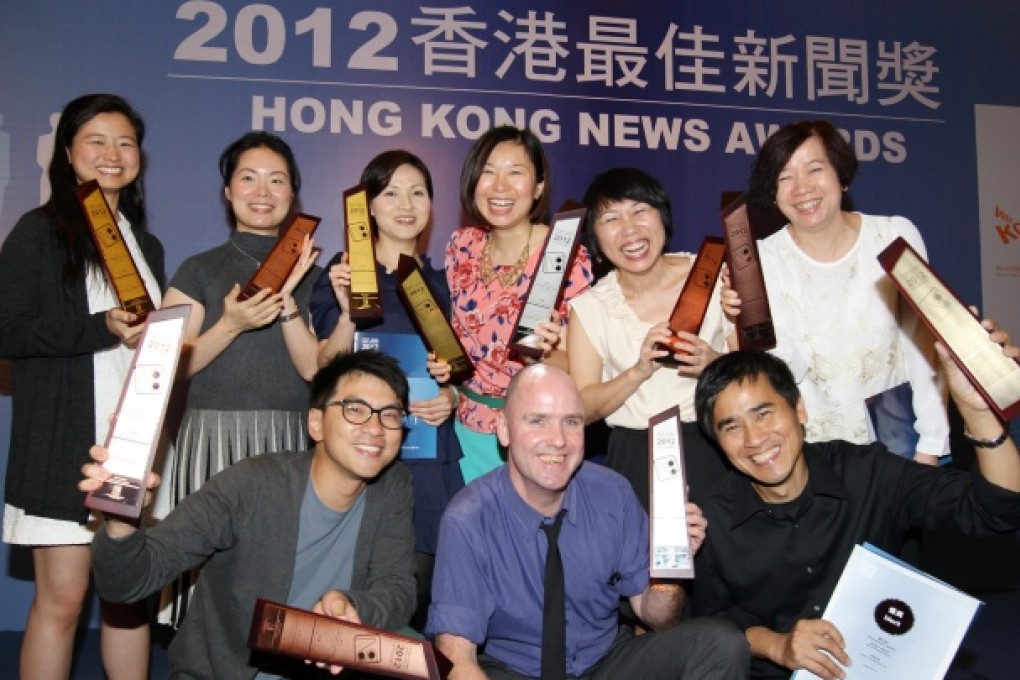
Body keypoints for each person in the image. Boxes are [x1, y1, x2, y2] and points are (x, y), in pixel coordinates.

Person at [690, 327, 1020, 680]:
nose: (755, 439)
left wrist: (979, 412)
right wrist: (779, 646)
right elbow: (711, 619)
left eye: (764, 413)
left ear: (799, 409)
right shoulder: (713, 517)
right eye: (731, 427)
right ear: (718, 442)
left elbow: (995, 509)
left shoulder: (868, 473)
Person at [81, 350, 417, 679]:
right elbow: (126, 583)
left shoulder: (392, 486)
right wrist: (122, 522)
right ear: (316, 423)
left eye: (390, 414)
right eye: (355, 409)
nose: (375, 428)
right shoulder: (252, 485)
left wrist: (353, 606)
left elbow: (398, 588)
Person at [427, 363, 750, 679]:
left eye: (571, 422)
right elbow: (456, 656)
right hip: (515, 670)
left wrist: (671, 565)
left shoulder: (613, 493)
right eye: (537, 421)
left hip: (605, 662)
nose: (558, 439)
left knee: (719, 642)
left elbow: (659, 619)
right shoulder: (468, 518)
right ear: (504, 429)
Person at [0, 93, 162, 680]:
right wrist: (101, 326)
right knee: (63, 600)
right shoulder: (40, 232)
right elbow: (6, 330)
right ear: (68, 153)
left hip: (132, 445)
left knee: (128, 598)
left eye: (126, 142)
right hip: (65, 444)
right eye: (97, 140)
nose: (113, 154)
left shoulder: (144, 246)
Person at [157, 131, 320, 624]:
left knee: (280, 582)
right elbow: (163, 367)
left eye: (276, 180)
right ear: (228, 191)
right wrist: (231, 324)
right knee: (210, 585)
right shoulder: (199, 269)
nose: (262, 191)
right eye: (248, 179)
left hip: (289, 438)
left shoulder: (314, 270)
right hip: (211, 438)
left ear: (293, 192)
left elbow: (322, 365)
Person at [727, 119, 948, 465]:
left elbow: (924, 349)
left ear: (841, 176)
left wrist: (931, 446)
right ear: (772, 191)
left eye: (814, 169)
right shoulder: (762, 261)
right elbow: (785, 369)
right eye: (784, 177)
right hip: (814, 454)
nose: (801, 188)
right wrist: (745, 325)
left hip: (902, 446)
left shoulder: (893, 237)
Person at [310, 149, 463, 627]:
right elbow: (324, 367)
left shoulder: (440, 283)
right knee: (360, 586)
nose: (406, 204)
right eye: (391, 192)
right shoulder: (344, 273)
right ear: (368, 206)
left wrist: (450, 398)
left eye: (418, 192)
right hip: (363, 452)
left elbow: (458, 373)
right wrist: (349, 314)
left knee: (429, 588)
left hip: (428, 455)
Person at [433, 125, 593, 484]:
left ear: (538, 187)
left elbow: (580, 372)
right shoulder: (462, 247)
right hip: (465, 432)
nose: (499, 186)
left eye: (515, 172)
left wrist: (544, 351)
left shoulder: (567, 257)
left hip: (533, 438)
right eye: (488, 172)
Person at [568, 167, 731, 508]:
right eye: (611, 218)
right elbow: (582, 408)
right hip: (634, 459)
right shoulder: (589, 308)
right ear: (595, 239)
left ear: (662, 216)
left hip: (717, 447)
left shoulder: (713, 276)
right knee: (638, 561)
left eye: (640, 210)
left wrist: (714, 364)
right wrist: (638, 371)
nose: (629, 229)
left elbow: (757, 374)